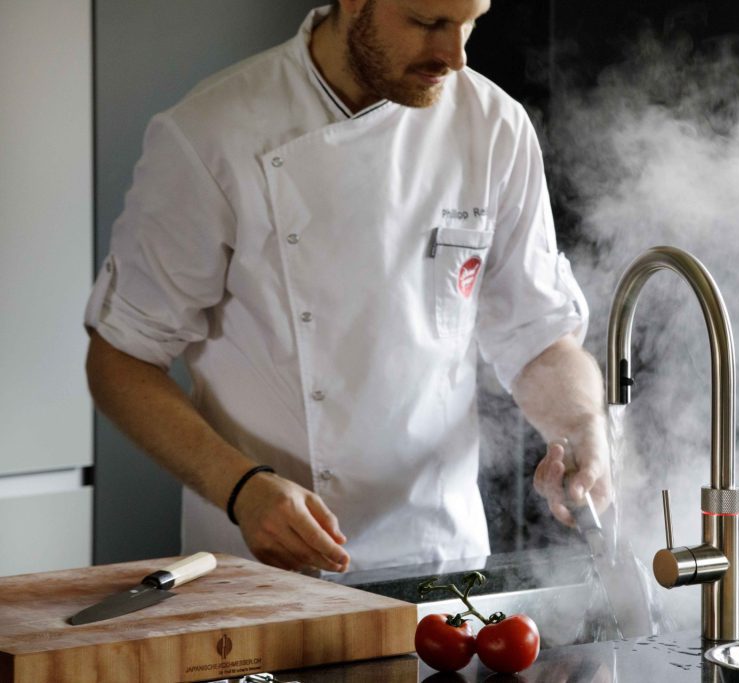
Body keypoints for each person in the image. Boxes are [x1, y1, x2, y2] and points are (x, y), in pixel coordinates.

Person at [84, 0, 610, 574]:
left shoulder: (493, 127)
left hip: (441, 562)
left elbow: (539, 341)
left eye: (471, 23)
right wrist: (241, 488)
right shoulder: (211, 134)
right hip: (264, 567)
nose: (454, 56)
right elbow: (120, 361)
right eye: (429, 23)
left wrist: (584, 426)